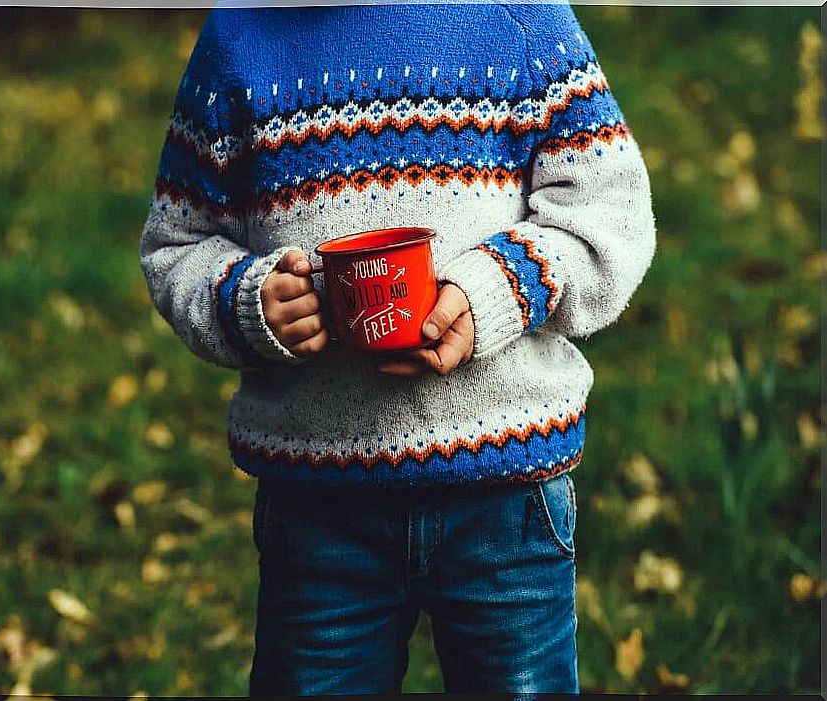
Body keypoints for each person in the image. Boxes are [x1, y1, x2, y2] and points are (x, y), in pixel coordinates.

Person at [139, 1, 656, 695]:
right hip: (319, 506)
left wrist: (493, 290)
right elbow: (177, 241)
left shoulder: (518, 18)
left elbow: (607, 214)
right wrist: (247, 299)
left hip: (503, 499)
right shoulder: (239, 37)